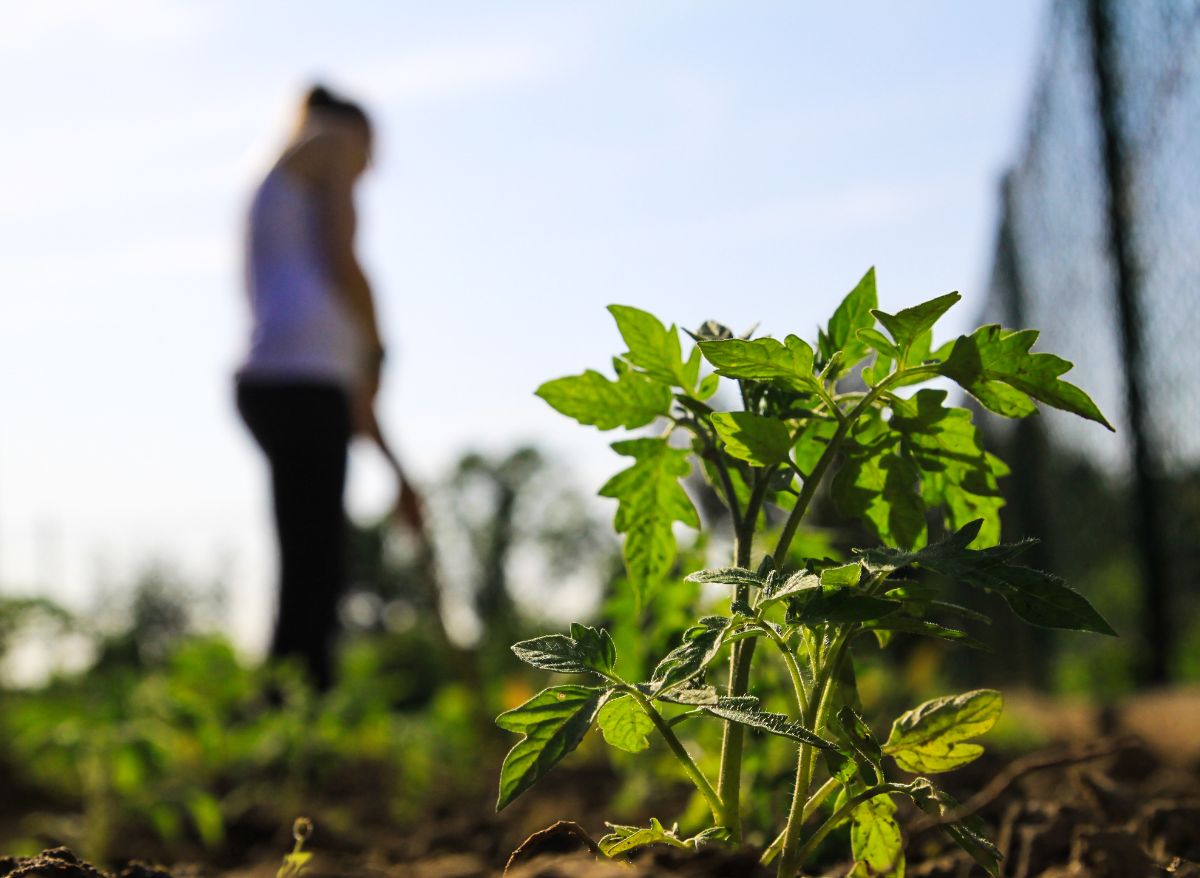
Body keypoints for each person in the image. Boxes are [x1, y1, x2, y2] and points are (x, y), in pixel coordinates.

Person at [235, 84, 422, 690]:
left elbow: (358, 409)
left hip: (287, 384)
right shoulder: (331, 140)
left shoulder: (275, 186)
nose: (367, 168)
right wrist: (377, 335)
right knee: (314, 561)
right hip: (299, 386)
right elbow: (345, 254)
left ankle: (293, 697)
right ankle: (296, 703)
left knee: (312, 553)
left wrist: (400, 477)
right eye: (373, 153)